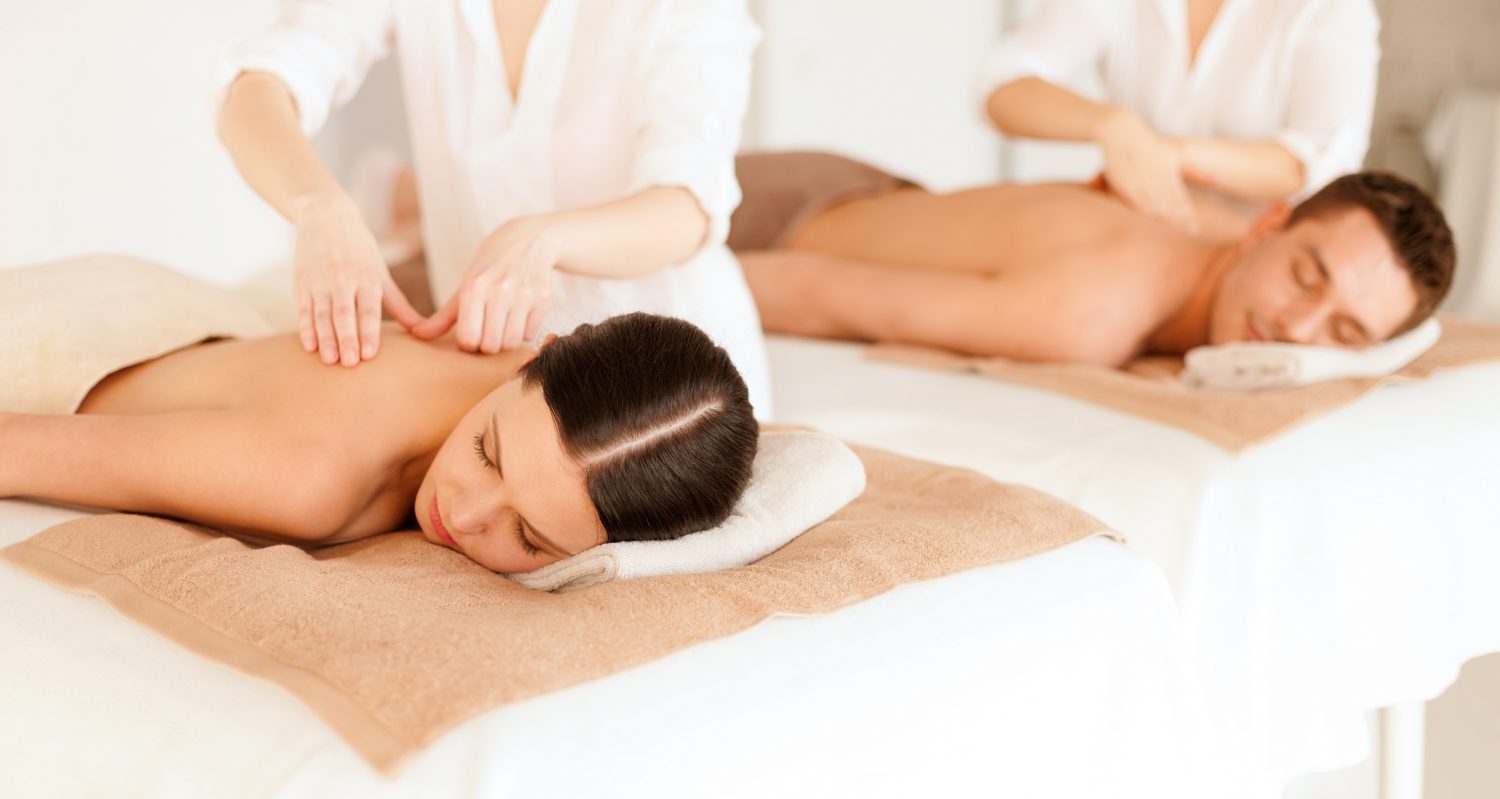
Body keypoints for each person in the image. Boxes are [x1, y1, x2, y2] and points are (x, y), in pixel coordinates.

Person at [215, 0, 772, 414]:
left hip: (674, 390)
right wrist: (321, 210)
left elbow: (687, 207)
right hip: (493, 390)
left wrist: (544, 240)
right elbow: (258, 87)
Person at [0, 312, 760, 575]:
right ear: (541, 350)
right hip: (57, 342)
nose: (464, 515)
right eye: (488, 453)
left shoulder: (512, 360)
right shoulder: (308, 476)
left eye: (529, 536)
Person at [730, 152, 1454, 367]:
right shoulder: (1089, 315)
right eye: (1306, 276)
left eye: (1345, 332)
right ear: (1266, 229)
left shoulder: (1211, 232)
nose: (1300, 329)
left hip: (879, 191)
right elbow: (810, 289)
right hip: (771, 218)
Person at [980, 0, 1380, 238]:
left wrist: (1168, 153)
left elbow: (1321, 159)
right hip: (1133, 232)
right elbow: (1003, 88)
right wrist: (1113, 125)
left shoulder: (1330, 7)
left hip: (1252, 251)